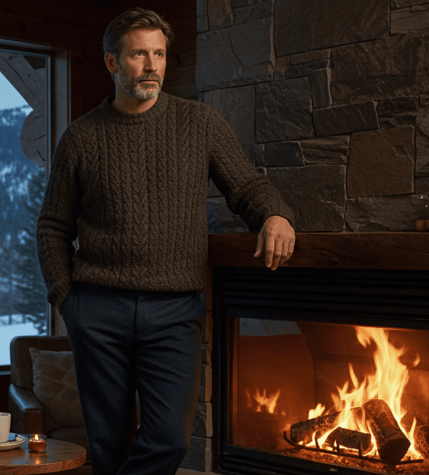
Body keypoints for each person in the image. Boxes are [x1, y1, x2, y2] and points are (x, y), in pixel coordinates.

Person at [36, 8, 296, 475]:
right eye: (139, 54)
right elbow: (53, 227)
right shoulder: (79, 139)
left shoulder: (201, 125)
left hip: (175, 312)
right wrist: (66, 299)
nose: (153, 65)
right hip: (98, 310)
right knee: (108, 445)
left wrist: (275, 214)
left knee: (169, 440)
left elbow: (247, 187)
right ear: (113, 63)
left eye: (159, 53)